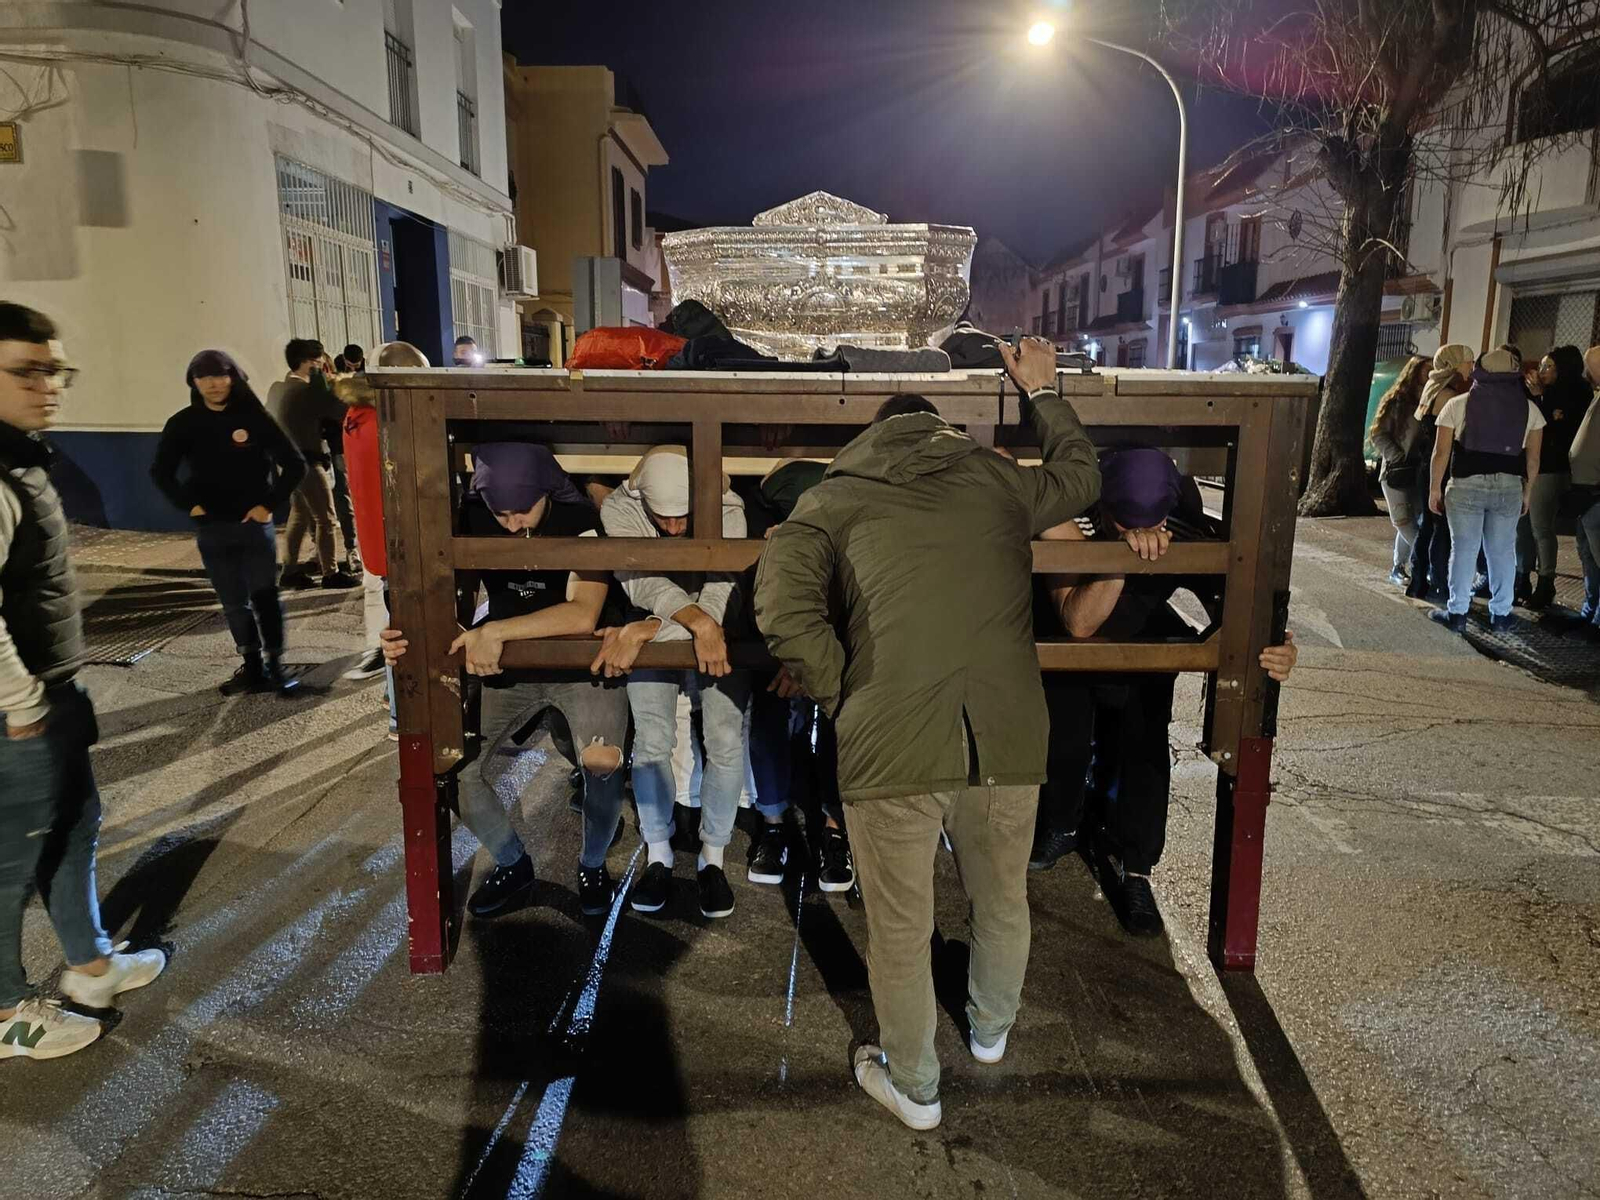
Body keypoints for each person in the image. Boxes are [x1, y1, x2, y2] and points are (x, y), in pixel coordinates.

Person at [753, 336, 1100, 1130]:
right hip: (1006, 736)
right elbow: (1083, 478)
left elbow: (781, 607)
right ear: (943, 427)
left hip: (889, 744)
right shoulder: (996, 481)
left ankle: (914, 1086)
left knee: (902, 928)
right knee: (1002, 899)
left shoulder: (833, 497)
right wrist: (1042, 394)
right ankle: (988, 1033)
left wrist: (845, 691)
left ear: (871, 435)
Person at [1027, 447, 1298, 937]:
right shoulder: (1074, 513)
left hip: (1144, 645)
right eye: (1120, 520)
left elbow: (1242, 608)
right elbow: (1078, 622)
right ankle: (1062, 823)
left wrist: (1277, 646)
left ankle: (1136, 867)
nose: (1135, 529)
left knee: (1146, 750)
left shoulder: (1185, 526)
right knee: (1063, 742)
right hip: (1071, 642)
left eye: (1147, 521)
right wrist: (1122, 558)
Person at [1, 302, 167, 1059]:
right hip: (18, 707)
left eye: (54, 369)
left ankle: (90, 965)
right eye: (26, 370)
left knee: (74, 827)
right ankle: (6, 1013)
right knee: (10, 858)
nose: (48, 385)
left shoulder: (21, 459)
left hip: (50, 691)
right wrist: (21, 704)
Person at [380, 443, 631, 917]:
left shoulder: (576, 517)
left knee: (601, 761)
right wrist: (405, 636)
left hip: (582, 662)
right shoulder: (471, 517)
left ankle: (593, 864)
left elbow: (582, 613)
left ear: (546, 492)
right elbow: (431, 590)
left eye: (523, 510)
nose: (513, 523)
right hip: (509, 666)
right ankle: (512, 863)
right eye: (502, 513)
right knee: (455, 767)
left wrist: (493, 630)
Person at [593, 447, 750, 920]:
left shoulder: (727, 505)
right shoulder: (619, 508)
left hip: (697, 625)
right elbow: (643, 581)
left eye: (685, 517)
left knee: (724, 739)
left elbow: (724, 581)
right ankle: (658, 851)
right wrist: (691, 624)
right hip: (669, 620)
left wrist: (651, 630)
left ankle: (713, 857)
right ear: (645, 502)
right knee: (652, 742)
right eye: (665, 517)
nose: (676, 528)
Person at [151, 350, 307, 695]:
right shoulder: (183, 423)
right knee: (234, 602)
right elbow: (160, 472)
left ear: (232, 377)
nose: (213, 384)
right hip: (212, 528)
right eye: (203, 377)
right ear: (193, 382)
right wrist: (188, 505)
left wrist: (268, 505)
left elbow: (295, 464)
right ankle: (251, 667)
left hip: (254, 528)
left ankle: (276, 666)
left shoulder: (255, 418)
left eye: (220, 376)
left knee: (265, 597)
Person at [739, 460, 853, 891]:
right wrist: (796, 661)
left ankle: (834, 827)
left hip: (838, 655)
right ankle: (772, 822)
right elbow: (766, 612)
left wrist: (811, 666)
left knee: (846, 716)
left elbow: (863, 616)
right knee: (769, 706)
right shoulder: (769, 539)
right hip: (781, 653)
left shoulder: (855, 532)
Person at [1428, 347, 1545, 633]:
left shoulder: (1458, 404)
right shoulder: (1530, 410)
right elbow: (1533, 459)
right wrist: (1527, 493)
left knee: (1464, 549)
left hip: (1466, 485)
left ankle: (1457, 613)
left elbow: (1441, 453)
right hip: (1508, 487)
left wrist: (1434, 489)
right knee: (1502, 551)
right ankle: (1502, 615)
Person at [333, 341, 425, 687]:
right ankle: (399, 706)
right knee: (403, 634)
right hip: (400, 543)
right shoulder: (388, 420)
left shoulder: (356, 414)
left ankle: (394, 698)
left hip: (378, 542)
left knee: (391, 622)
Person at [267, 338, 358, 590]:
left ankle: (290, 571)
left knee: (299, 516)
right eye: (317, 362)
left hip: (287, 464)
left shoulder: (277, 388)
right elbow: (337, 409)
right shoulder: (305, 391)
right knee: (326, 519)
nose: (320, 366)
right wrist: (322, 381)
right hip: (307, 462)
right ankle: (330, 573)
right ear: (306, 363)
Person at [1516, 345, 1586, 609]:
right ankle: (1521, 576)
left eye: (1548, 367)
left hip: (1552, 469)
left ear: (1563, 369)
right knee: (1522, 525)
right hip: (1530, 465)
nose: (1541, 371)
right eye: (1542, 366)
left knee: (1541, 527)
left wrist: (1540, 400)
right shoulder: (1541, 394)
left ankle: (1546, 582)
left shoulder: (1575, 393)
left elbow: (1554, 430)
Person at [1406, 344, 1474, 601]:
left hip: (1426, 465)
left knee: (1427, 526)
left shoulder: (1431, 388)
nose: (1471, 367)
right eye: (1468, 362)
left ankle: (1418, 580)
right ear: (1454, 365)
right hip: (1440, 467)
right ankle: (1438, 583)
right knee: (1440, 528)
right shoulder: (1449, 396)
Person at [1369, 356, 1429, 588]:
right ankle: (1424, 563)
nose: (1429, 376)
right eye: (1426, 371)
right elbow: (1378, 433)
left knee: (1413, 520)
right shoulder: (1397, 401)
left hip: (1417, 471)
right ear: (1414, 374)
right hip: (1396, 471)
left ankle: (1399, 566)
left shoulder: (1431, 401)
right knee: (1404, 522)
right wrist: (1396, 455)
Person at [1566, 346, 1600, 642]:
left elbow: (1593, 357)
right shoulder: (1596, 394)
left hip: (1596, 493)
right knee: (1588, 555)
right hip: (1585, 491)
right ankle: (1590, 610)